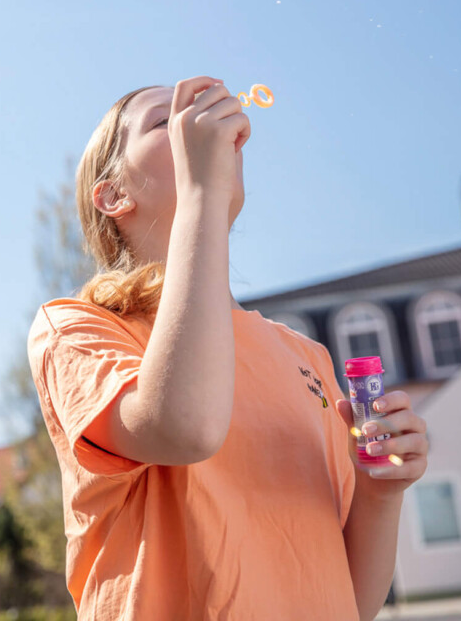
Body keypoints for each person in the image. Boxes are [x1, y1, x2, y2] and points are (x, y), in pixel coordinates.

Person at [27, 77, 429, 620]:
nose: (194, 123)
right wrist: (203, 194)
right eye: (164, 121)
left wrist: (383, 489)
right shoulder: (78, 330)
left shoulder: (306, 356)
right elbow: (185, 427)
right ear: (114, 194)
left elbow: (350, 601)